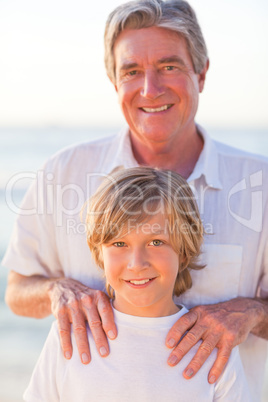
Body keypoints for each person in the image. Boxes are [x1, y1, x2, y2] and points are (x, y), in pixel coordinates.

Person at [2, 0, 268, 400]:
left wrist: (252, 312)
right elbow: (18, 290)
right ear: (114, 82)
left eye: (169, 66)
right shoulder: (62, 173)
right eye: (131, 71)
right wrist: (57, 290)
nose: (150, 89)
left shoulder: (261, 184)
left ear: (202, 73)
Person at [23, 167, 251, 402]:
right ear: (100, 254)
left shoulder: (215, 348)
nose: (137, 263)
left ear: (183, 251)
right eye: (120, 244)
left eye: (155, 241)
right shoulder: (69, 336)